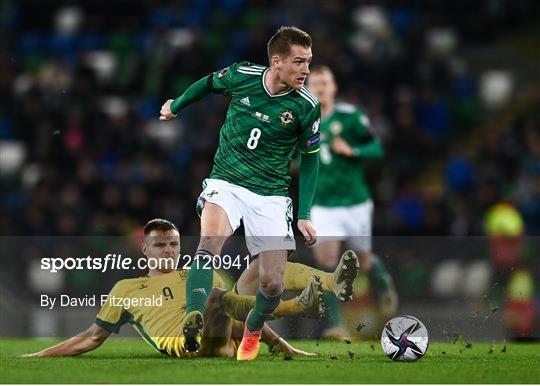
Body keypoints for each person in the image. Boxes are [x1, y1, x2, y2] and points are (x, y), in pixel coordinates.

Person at [159, 26, 330, 360]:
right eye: (299, 62)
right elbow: (208, 83)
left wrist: (305, 213)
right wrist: (176, 105)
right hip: (227, 182)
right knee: (209, 241)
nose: (306, 70)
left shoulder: (307, 106)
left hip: (271, 196)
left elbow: (310, 160)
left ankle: (252, 329)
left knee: (271, 285)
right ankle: (193, 313)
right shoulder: (241, 75)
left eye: (308, 62)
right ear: (277, 61)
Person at [22, 219, 357, 359]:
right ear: (145, 250)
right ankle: (298, 306)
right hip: (188, 347)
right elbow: (92, 337)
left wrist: (283, 347)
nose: (168, 250)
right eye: (160, 245)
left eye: (173, 244)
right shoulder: (127, 288)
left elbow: (240, 317)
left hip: (223, 338)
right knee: (217, 298)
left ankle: (329, 282)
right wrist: (39, 356)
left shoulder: (201, 273)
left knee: (259, 267)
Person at [306, 66, 398, 337]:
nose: (321, 88)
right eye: (315, 84)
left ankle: (383, 283)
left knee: (363, 260)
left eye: (325, 83)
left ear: (333, 88)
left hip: (354, 201)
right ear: (308, 89)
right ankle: (337, 326)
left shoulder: (351, 117)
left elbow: (377, 147)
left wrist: (353, 149)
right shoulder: (303, 119)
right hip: (322, 203)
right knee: (326, 260)